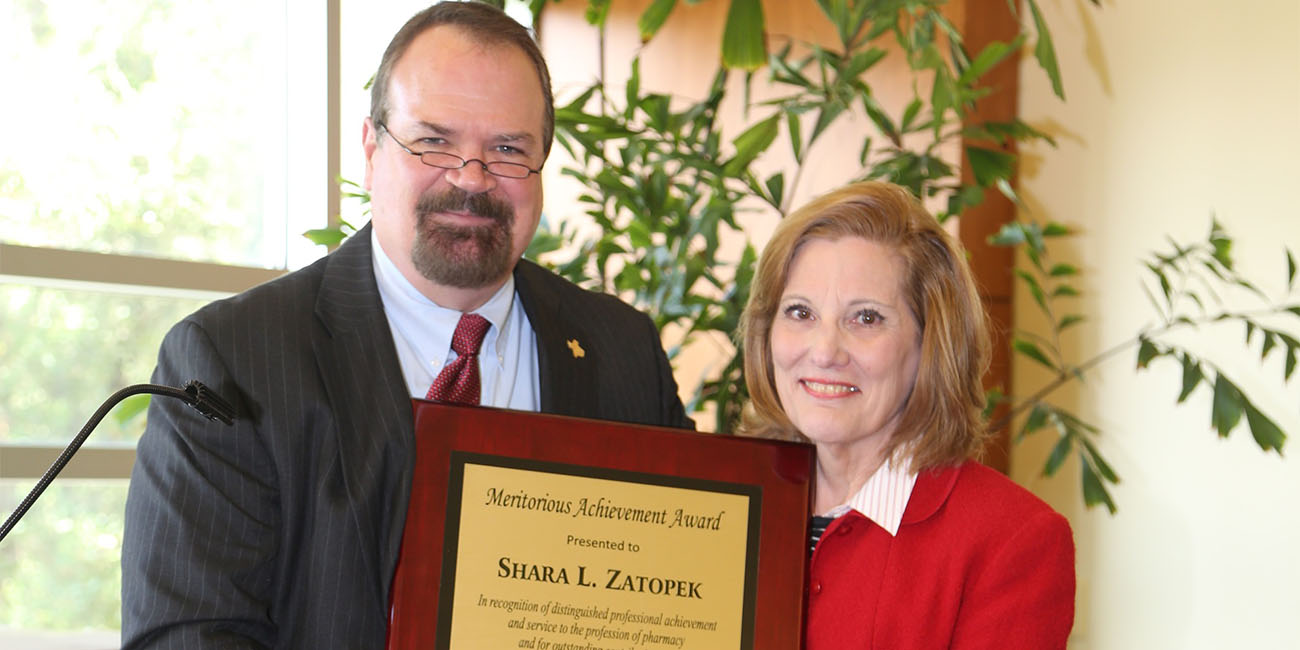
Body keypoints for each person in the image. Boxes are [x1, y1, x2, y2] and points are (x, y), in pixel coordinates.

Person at [121, 2, 692, 648]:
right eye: (433, 140)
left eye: (507, 149)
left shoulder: (624, 350)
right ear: (372, 149)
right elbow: (187, 636)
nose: (470, 179)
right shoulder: (233, 363)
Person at [739, 181, 1075, 649]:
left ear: (929, 344)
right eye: (800, 312)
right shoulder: (725, 504)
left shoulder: (1012, 541)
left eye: (867, 318)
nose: (825, 351)